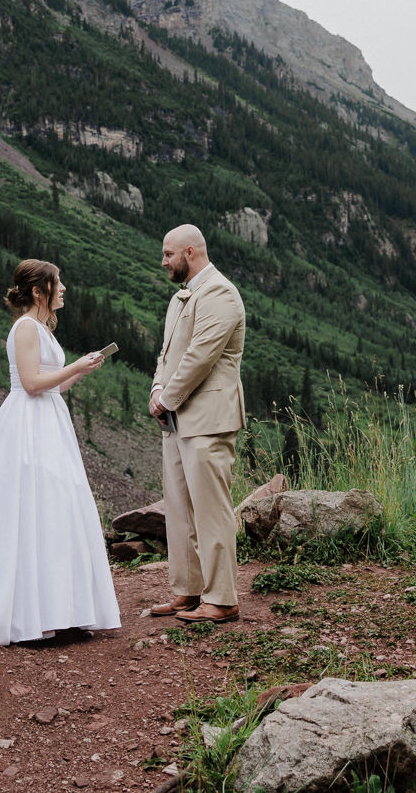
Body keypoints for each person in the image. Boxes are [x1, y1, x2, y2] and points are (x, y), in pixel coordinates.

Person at [0, 259, 122, 646]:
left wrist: (81, 370)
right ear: (39, 291)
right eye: (58, 282)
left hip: (48, 421)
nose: (63, 288)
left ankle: (58, 610)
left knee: (54, 508)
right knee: (31, 507)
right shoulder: (26, 328)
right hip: (28, 424)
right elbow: (32, 383)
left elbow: (52, 388)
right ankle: (32, 613)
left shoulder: (42, 329)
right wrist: (73, 367)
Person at [147, 224, 247, 624]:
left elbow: (201, 357)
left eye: (169, 254)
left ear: (190, 251)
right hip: (176, 420)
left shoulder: (221, 293)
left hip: (207, 419)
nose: (164, 261)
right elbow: (168, 353)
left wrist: (166, 399)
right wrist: (157, 387)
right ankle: (187, 591)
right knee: (179, 510)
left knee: (211, 509)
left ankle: (222, 598)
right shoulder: (180, 297)